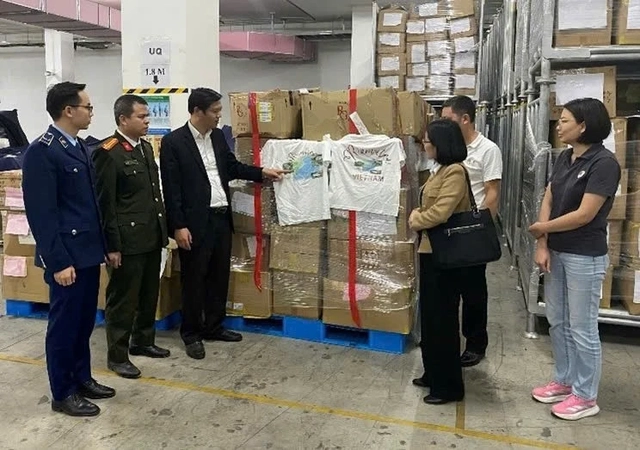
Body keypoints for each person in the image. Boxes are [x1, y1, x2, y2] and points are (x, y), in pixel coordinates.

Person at [159, 87, 286, 359]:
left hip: (220, 217)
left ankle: (214, 326)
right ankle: (191, 334)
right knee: (194, 279)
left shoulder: (217, 137)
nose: (219, 116)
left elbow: (232, 167)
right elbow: (172, 188)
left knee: (219, 276)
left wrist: (262, 172)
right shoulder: (174, 142)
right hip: (194, 223)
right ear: (197, 111)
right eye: (215, 111)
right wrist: (178, 226)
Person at [22, 82, 114, 417]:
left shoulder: (78, 146)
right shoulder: (42, 151)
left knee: (83, 322)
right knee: (63, 326)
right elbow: (42, 214)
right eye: (88, 107)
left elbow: (89, 206)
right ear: (68, 110)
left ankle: (81, 378)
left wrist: (104, 247)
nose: (91, 113)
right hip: (67, 257)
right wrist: (58, 261)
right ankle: (62, 392)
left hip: (87, 252)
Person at [529, 98, 620, 421]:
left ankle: (585, 395)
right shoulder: (565, 157)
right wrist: (542, 242)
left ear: (583, 126)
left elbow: (585, 214)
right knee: (558, 320)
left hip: (584, 255)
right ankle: (564, 380)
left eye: (565, 120)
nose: (559, 126)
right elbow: (549, 196)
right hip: (556, 250)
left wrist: (543, 228)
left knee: (582, 327)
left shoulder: (604, 164)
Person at [92, 95, 170, 379]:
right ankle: (117, 355)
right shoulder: (108, 152)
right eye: (141, 116)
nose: (147, 121)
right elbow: (106, 204)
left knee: (149, 293)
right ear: (123, 119)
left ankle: (143, 341)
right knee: (123, 300)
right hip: (127, 241)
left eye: (148, 115)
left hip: (151, 235)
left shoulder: (145, 148)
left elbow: (153, 194)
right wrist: (112, 246)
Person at [408, 119, 471, 405]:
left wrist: (415, 219)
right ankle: (433, 373)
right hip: (430, 252)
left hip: (446, 256)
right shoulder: (440, 170)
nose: (424, 145)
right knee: (431, 318)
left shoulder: (455, 172)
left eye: (428, 141)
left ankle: (448, 387)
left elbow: (441, 212)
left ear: (441, 143)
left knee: (443, 320)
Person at [441, 95, 503, 367]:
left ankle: (476, 343)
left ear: (465, 119)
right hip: (446, 226)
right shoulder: (448, 148)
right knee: (447, 288)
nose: (444, 125)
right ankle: (446, 339)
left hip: (472, 228)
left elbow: (492, 192)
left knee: (473, 291)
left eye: (449, 120)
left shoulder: (487, 150)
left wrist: (482, 229)